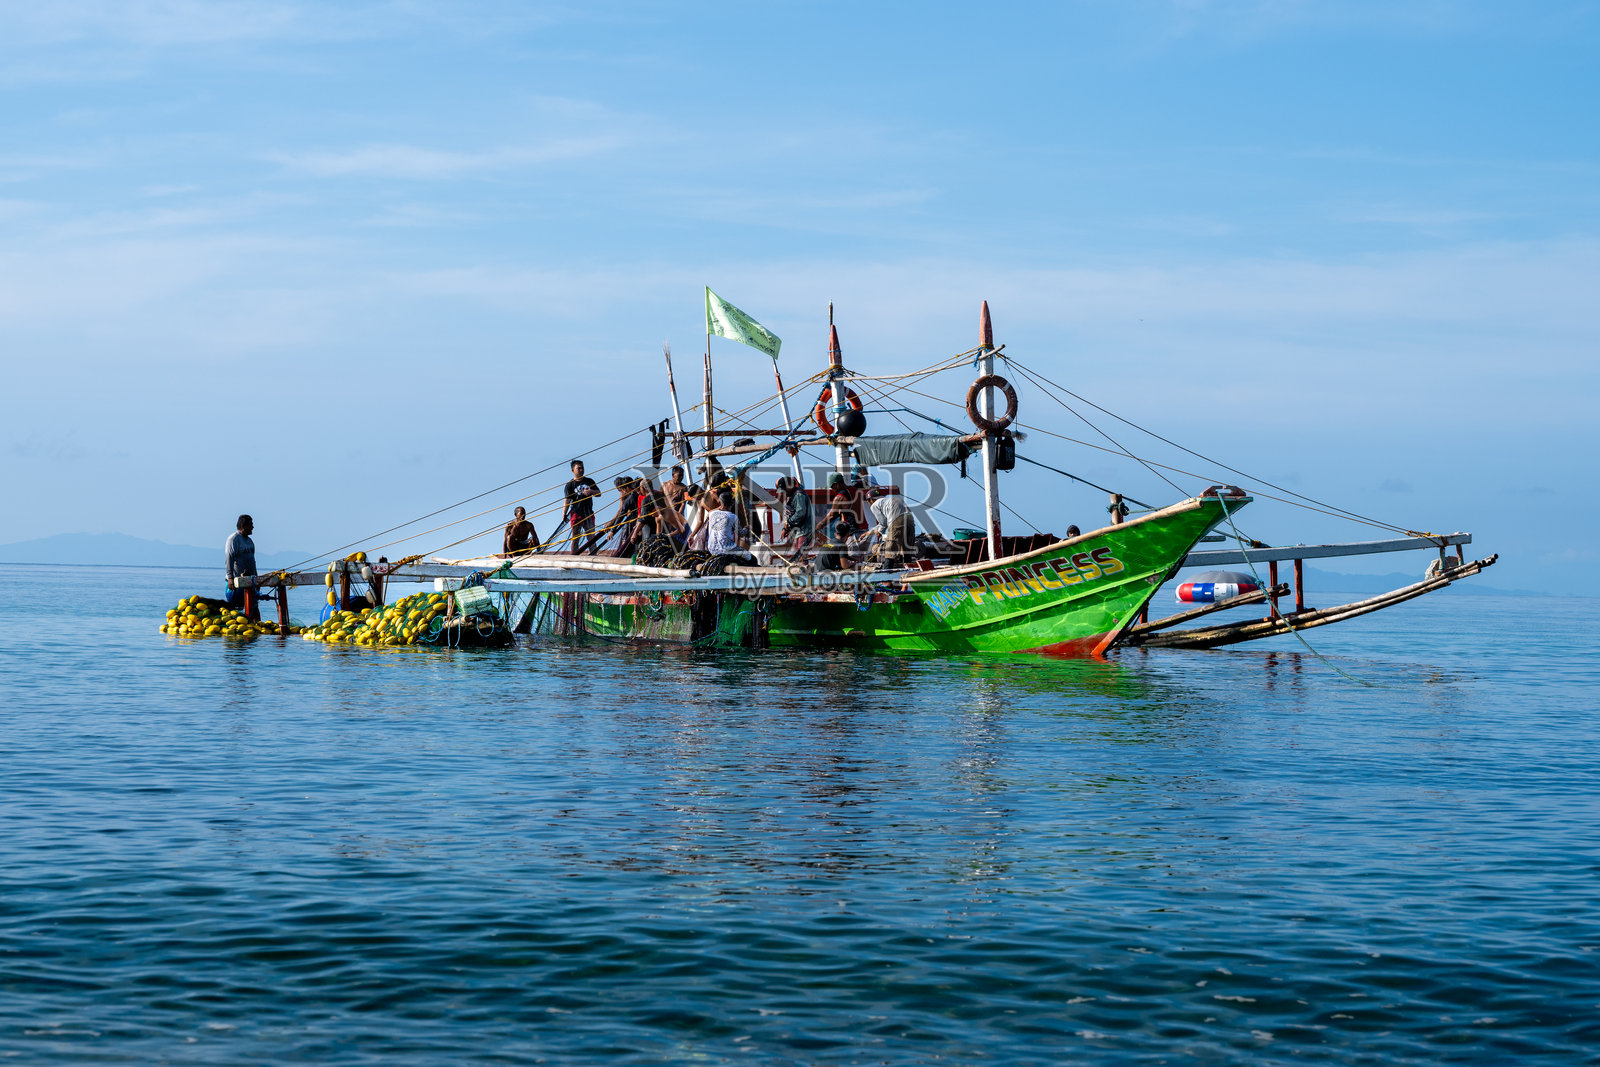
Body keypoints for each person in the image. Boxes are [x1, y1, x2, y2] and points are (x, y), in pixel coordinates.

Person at [868, 485, 915, 565]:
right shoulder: (887, 501)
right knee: (907, 550)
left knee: (890, 552)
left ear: (871, 500)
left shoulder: (874, 505)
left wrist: (880, 531)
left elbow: (883, 523)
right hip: (909, 518)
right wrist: (869, 532)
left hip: (897, 519)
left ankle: (886, 573)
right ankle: (909, 568)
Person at [705, 490, 755, 564]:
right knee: (751, 558)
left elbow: (708, 514)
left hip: (712, 549)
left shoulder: (711, 513)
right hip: (727, 548)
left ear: (720, 502)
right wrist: (747, 528)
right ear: (732, 503)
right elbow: (741, 533)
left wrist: (720, 506)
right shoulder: (733, 517)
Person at [224, 514, 259, 619]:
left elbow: (253, 561)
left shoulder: (250, 541)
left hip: (249, 581)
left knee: (253, 606)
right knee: (235, 610)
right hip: (236, 582)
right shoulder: (233, 539)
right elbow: (229, 559)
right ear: (244, 526)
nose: (253, 527)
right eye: (251, 525)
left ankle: (256, 627)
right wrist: (230, 578)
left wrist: (256, 579)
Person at [564, 459, 600, 551]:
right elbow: (567, 500)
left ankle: (593, 554)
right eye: (578, 468)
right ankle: (573, 556)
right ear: (573, 470)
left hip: (588, 513)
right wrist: (564, 513)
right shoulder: (570, 485)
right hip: (576, 513)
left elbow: (599, 493)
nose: (581, 470)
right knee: (575, 538)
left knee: (591, 537)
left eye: (582, 468)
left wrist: (591, 491)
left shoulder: (589, 481)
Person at [775, 475, 813, 551]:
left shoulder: (799, 495)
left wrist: (788, 522)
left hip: (804, 532)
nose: (784, 493)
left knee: (801, 557)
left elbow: (800, 513)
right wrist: (786, 528)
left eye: (784, 490)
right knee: (800, 556)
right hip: (800, 532)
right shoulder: (794, 496)